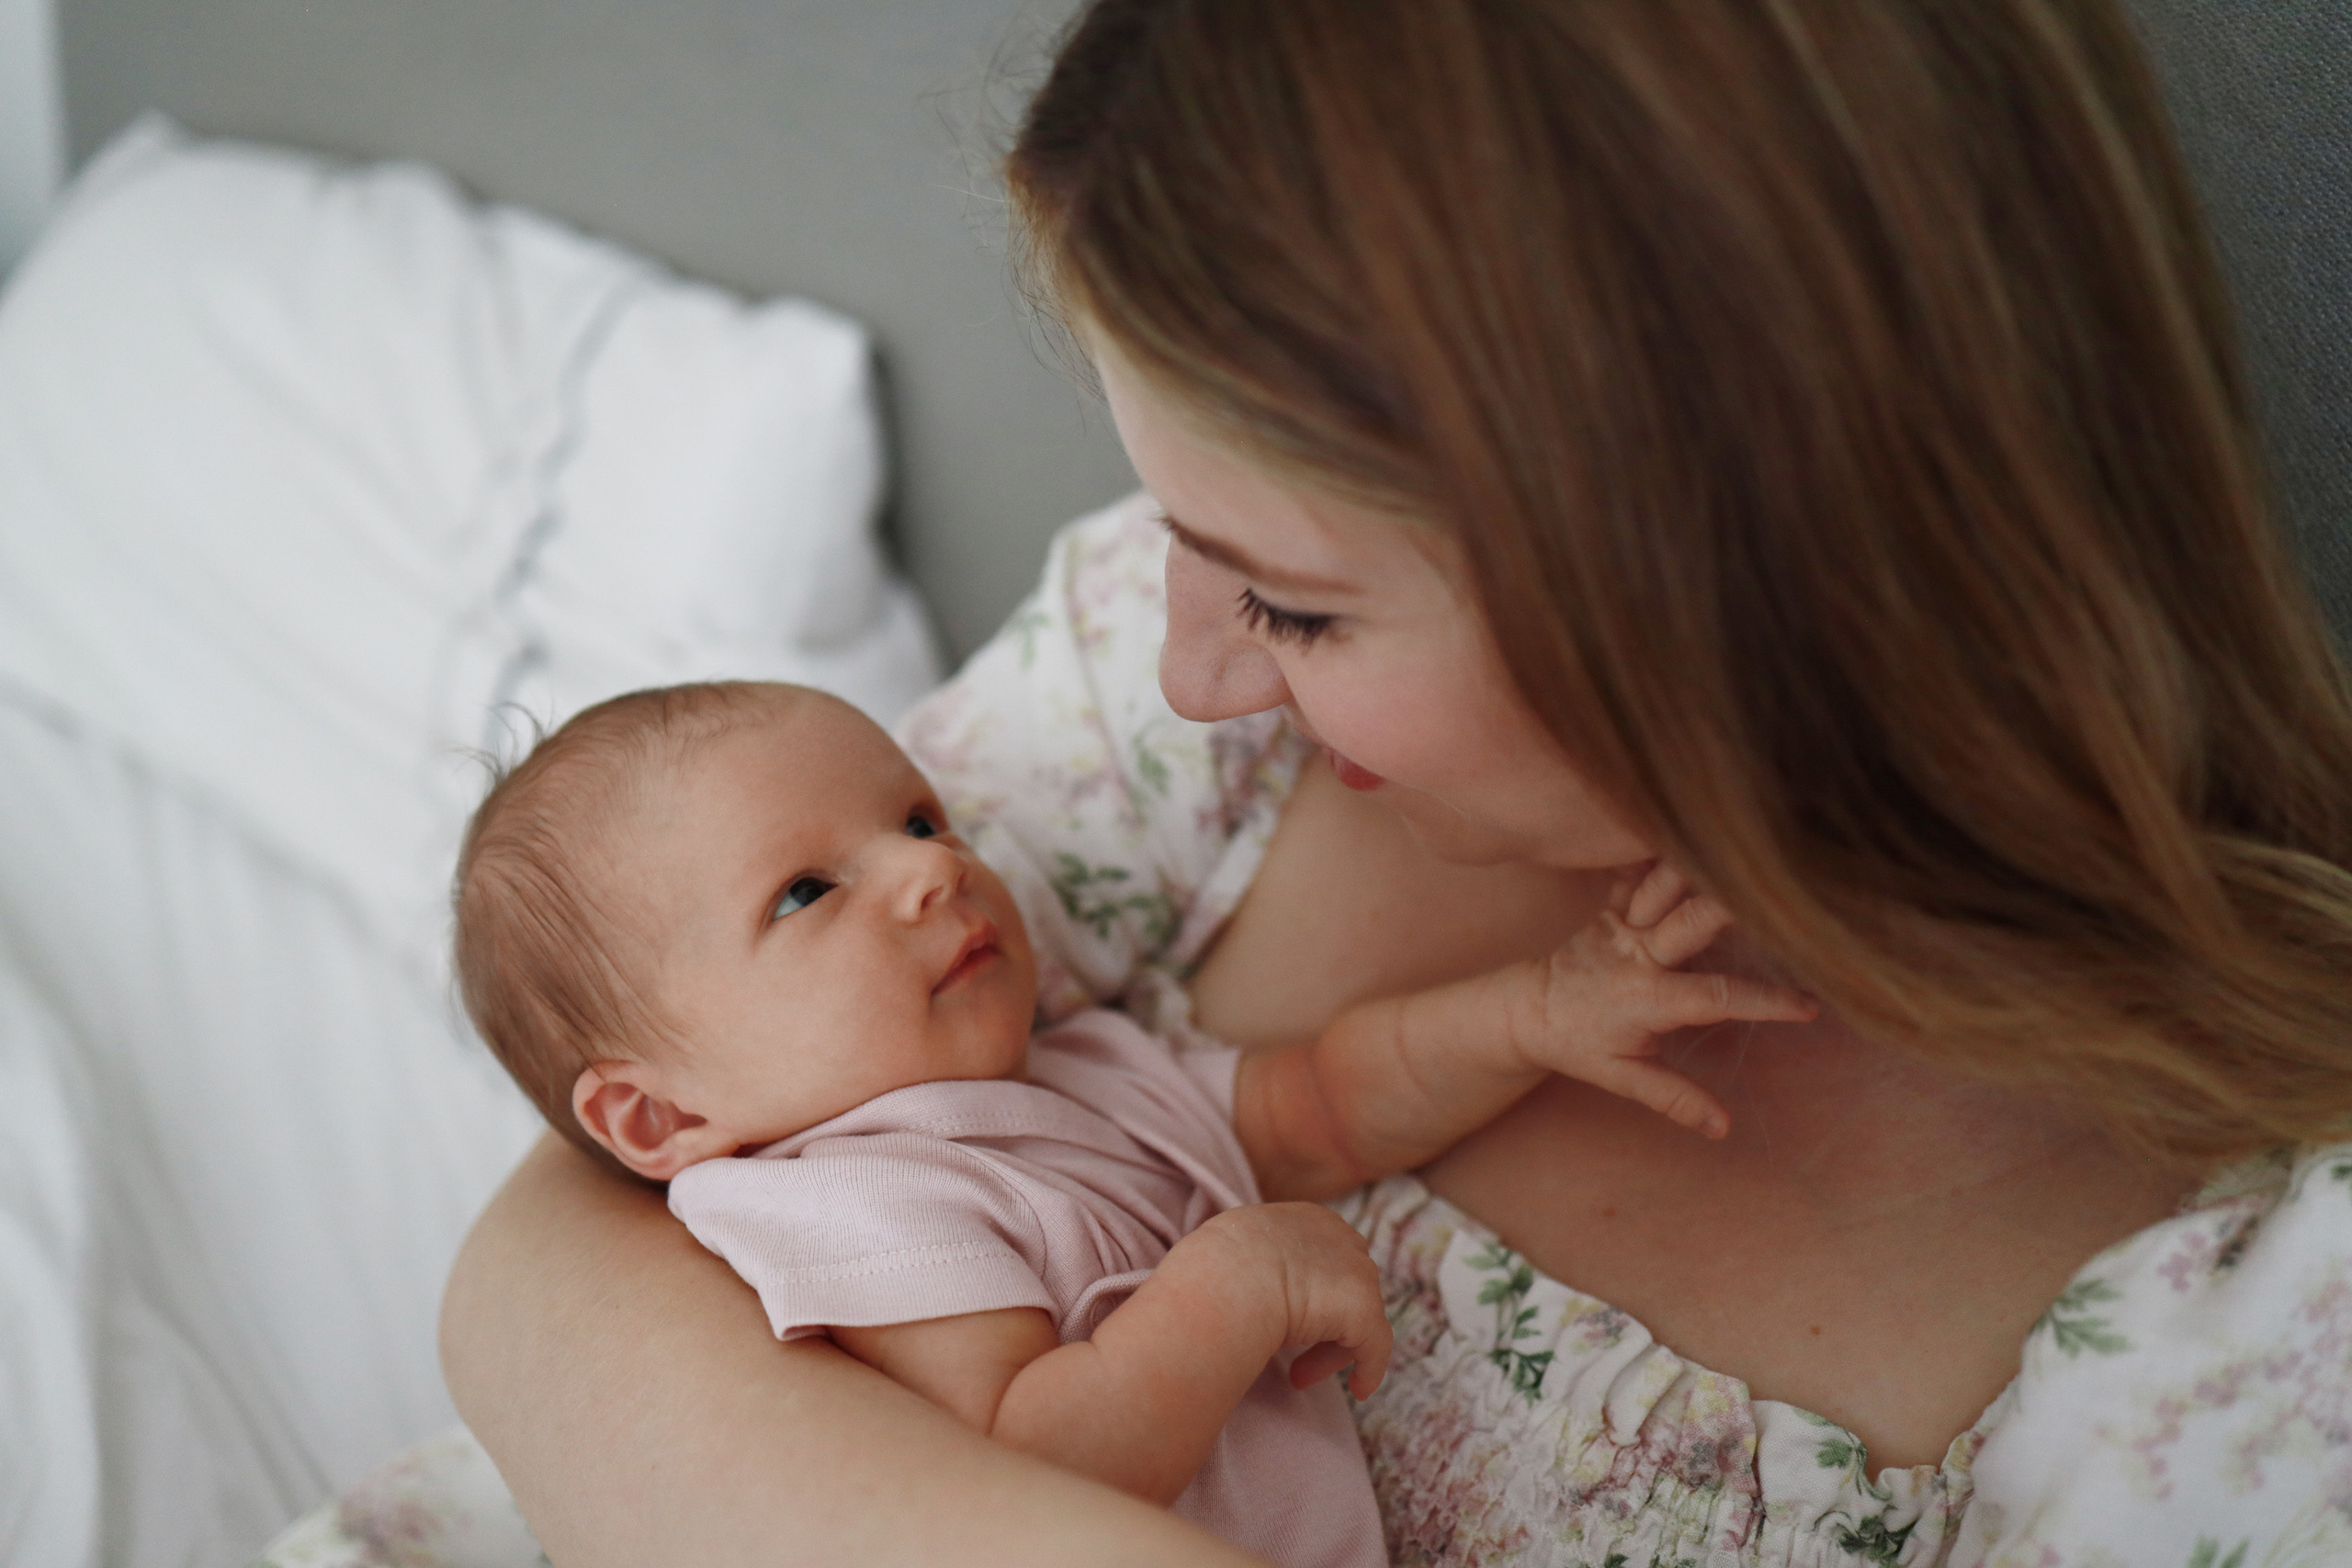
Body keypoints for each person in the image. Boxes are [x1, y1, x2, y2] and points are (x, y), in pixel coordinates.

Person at [435, 1, 2352, 1563]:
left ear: (1721, 573)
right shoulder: (1154, 711)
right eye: (1185, 540)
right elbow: (547, 1254)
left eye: (1285, 597)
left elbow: (1310, 1102)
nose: (1186, 664)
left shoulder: (2258, 1335)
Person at [443, 678, 1810, 1568]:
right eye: (808, 893)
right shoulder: (848, 1202)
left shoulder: (1077, 1073)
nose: (931, 868)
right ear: (655, 1111)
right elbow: (1027, 1461)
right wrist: (1231, 1287)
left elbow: (1322, 1102)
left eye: (918, 817)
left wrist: (1534, 1011)